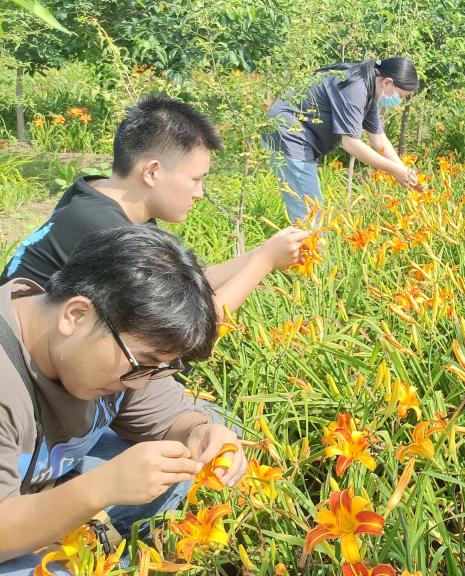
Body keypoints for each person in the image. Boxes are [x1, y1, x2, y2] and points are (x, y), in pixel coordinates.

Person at [0, 225, 246, 573]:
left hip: (44, 484)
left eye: (158, 368)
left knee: (218, 426)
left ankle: (90, 538)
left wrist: (199, 432)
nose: (141, 382)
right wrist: (99, 490)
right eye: (142, 363)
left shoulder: (119, 346)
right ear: (76, 315)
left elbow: (174, 418)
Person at [1, 95, 309, 316]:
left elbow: (189, 283)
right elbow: (191, 326)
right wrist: (263, 262)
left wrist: (262, 252)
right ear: (152, 172)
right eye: (196, 179)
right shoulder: (106, 232)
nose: (200, 193)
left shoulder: (100, 194)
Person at [263, 57, 422, 223]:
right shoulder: (355, 88)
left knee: (311, 216)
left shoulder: (368, 88)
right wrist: (395, 170)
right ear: (387, 82)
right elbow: (351, 144)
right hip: (288, 134)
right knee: (310, 218)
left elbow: (379, 139)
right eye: (401, 96)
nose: (399, 102)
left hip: (295, 136)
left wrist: (404, 171)